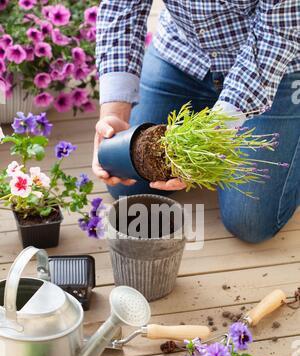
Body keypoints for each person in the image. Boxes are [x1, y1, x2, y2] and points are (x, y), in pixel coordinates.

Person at [93, 1, 300, 244]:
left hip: (279, 67)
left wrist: (212, 135)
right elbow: (122, 7)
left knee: (250, 222)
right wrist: (115, 114)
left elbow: (275, 37)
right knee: (125, 181)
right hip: (186, 52)